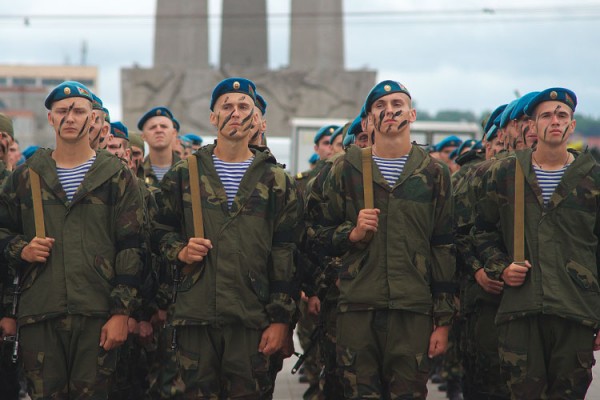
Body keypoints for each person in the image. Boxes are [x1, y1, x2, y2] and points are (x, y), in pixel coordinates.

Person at [152, 77, 298, 398]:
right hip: (194, 320)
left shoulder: (276, 180)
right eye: (226, 106)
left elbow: (286, 254)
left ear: (257, 119)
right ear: (213, 117)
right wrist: (179, 250)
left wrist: (281, 321)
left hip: (252, 321)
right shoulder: (185, 174)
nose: (235, 113)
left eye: (244, 106)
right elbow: (156, 233)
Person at [0, 80, 144, 399]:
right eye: (62, 111)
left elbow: (131, 247)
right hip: (40, 314)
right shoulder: (26, 177)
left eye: (79, 111)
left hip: (98, 314)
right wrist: (20, 248)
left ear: (93, 119)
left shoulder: (116, 176)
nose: (70, 117)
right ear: (51, 119)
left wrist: (122, 312)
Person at [316, 80, 455, 398]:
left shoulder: (434, 174)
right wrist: (350, 234)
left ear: (412, 114)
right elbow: (315, 236)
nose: (390, 111)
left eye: (397, 104)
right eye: (380, 106)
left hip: (413, 311)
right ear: (366, 121)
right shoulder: (344, 170)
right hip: (357, 311)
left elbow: (444, 247)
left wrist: (444, 320)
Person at [473, 87, 599, 399]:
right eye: (546, 115)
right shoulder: (504, 173)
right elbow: (481, 231)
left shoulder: (593, 178)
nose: (554, 121)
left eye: (562, 115)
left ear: (571, 125)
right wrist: (501, 268)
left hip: (575, 311)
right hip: (521, 310)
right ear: (532, 126)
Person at [138, 106, 181, 188]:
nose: (158, 130)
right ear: (143, 136)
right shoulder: (136, 172)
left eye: (164, 126)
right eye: (152, 127)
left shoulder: (189, 169)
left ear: (174, 133)